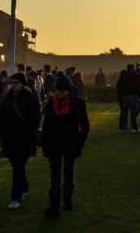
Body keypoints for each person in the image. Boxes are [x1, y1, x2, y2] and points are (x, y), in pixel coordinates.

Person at [41, 74, 89, 217]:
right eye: (58, 90)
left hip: (70, 142)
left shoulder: (78, 102)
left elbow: (85, 125)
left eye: (63, 90)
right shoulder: (52, 102)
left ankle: (67, 201)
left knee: (67, 173)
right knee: (56, 175)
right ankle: (55, 205)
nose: (60, 93)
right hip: (55, 143)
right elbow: (46, 125)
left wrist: (79, 142)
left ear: (68, 89)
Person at [0, 72, 41, 210]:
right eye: (12, 83)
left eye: (16, 83)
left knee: (18, 166)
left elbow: (36, 117)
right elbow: (0, 115)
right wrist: (1, 132)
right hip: (10, 137)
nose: (13, 85)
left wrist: (29, 130)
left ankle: (16, 197)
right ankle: (24, 187)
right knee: (17, 166)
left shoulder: (30, 97)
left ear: (23, 84)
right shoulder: (6, 97)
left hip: (24, 138)